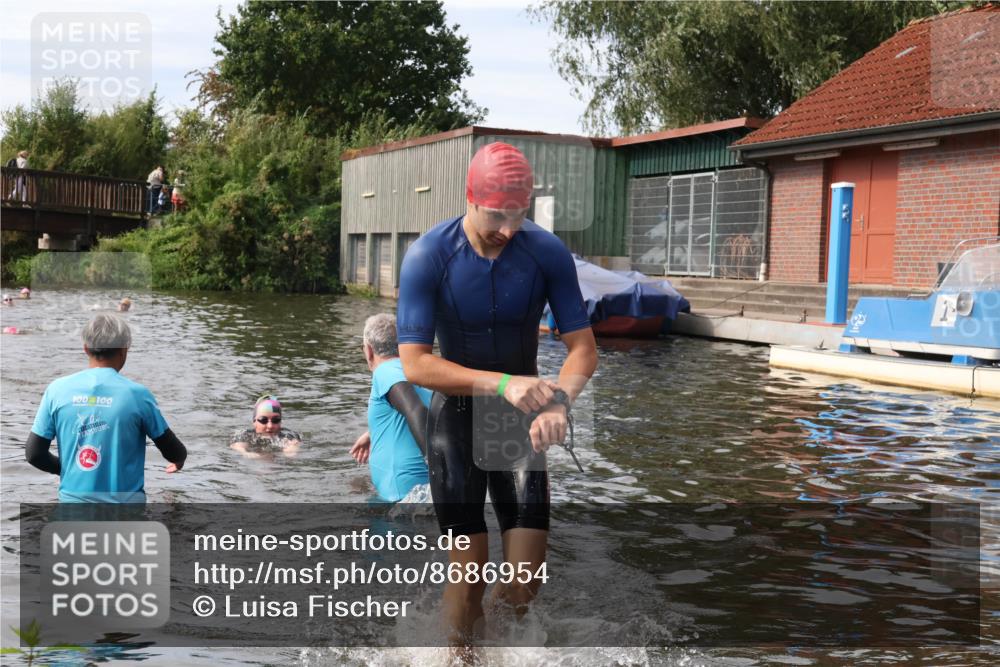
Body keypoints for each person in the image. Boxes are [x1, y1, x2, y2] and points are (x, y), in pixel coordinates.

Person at [397, 142, 598, 648]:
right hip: (457, 422)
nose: (509, 230)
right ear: (470, 199)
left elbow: (583, 351)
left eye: (518, 215)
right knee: (469, 577)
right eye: (497, 217)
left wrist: (560, 402)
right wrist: (504, 384)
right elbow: (416, 363)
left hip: (517, 425)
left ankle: (496, 651)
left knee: (526, 581)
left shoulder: (545, 252)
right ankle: (460, 657)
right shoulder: (429, 255)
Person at [24, 313, 187, 502]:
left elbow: (34, 454)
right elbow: (173, 451)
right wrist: (179, 459)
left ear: (86, 348)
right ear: (124, 350)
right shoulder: (138, 395)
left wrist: (69, 468)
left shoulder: (56, 390)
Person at [350, 313, 431, 503]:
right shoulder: (420, 373)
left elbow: (415, 408)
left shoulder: (386, 371)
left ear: (368, 350)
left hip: (402, 495)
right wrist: (373, 432)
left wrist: (435, 463)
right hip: (423, 490)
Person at [229, 396, 301, 459]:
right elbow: (237, 446)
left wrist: (291, 449)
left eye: (275, 420)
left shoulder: (288, 435)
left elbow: (291, 452)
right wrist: (246, 453)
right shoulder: (245, 435)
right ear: (254, 422)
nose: (270, 426)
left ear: (280, 422)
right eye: (263, 420)